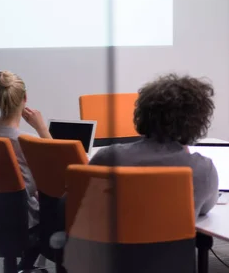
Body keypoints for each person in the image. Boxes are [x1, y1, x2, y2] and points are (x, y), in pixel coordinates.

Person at [89, 74, 219, 217]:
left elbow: (74, 203)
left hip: (109, 238)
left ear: (142, 113)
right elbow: (204, 210)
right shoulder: (202, 169)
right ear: (198, 122)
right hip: (172, 239)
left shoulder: (108, 157)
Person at [0, 70, 51, 270]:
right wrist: (42, 129)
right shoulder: (28, 140)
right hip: (25, 221)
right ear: (25, 98)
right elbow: (55, 172)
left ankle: (15, 267)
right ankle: (23, 267)